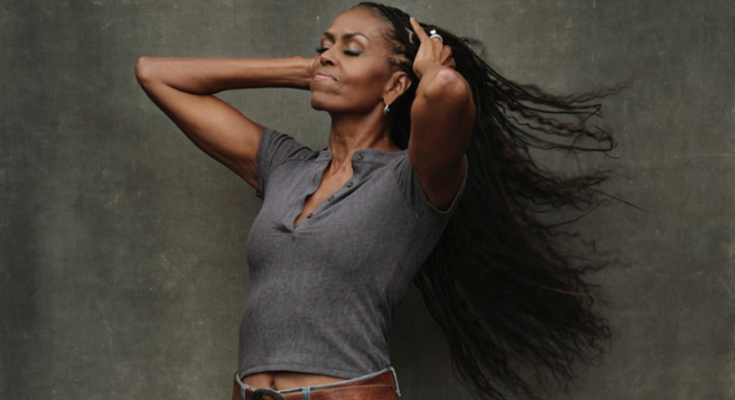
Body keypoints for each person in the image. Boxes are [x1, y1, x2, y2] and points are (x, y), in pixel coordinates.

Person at [136, 2, 617, 399]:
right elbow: (155, 74)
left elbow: (447, 90)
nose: (328, 56)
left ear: (395, 85)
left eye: (351, 49)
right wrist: (304, 70)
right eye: (324, 46)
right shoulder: (284, 165)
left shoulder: (413, 179)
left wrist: (429, 68)